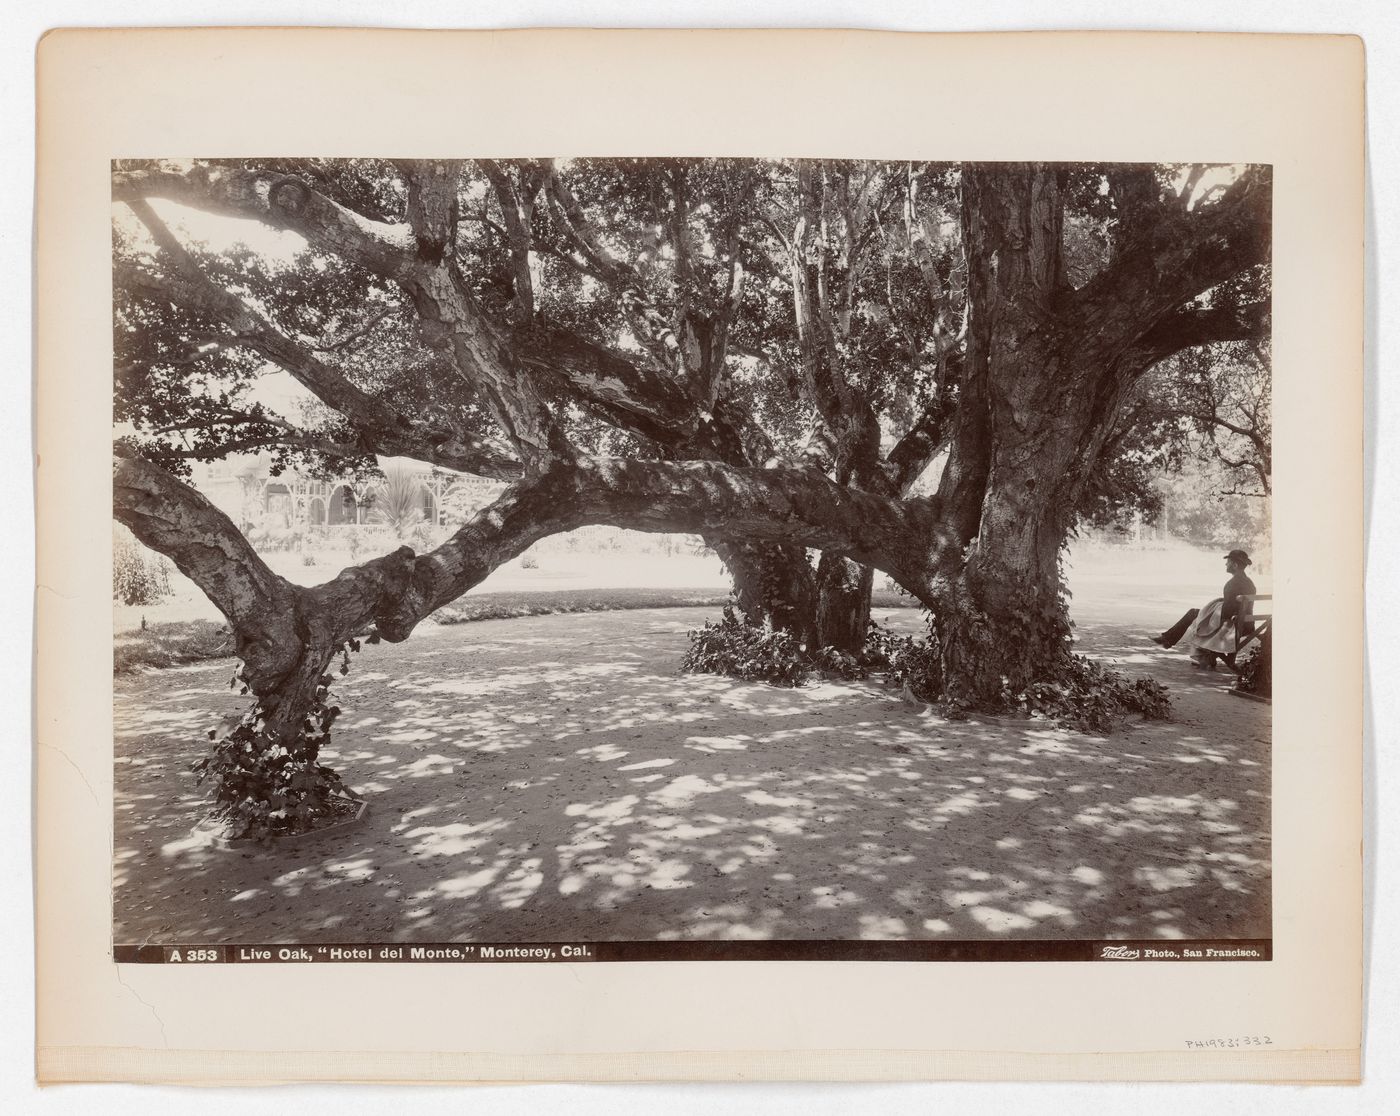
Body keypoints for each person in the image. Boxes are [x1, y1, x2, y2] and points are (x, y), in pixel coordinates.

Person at [1151, 549, 1257, 671]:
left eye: (1228, 562)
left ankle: (1170, 641)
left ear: (1235, 565)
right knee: (1196, 614)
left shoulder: (1232, 584)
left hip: (1234, 625)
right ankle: (1171, 641)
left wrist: (1208, 615)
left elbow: (1226, 612)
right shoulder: (1249, 583)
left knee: (1196, 617)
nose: (1225, 564)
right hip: (1247, 624)